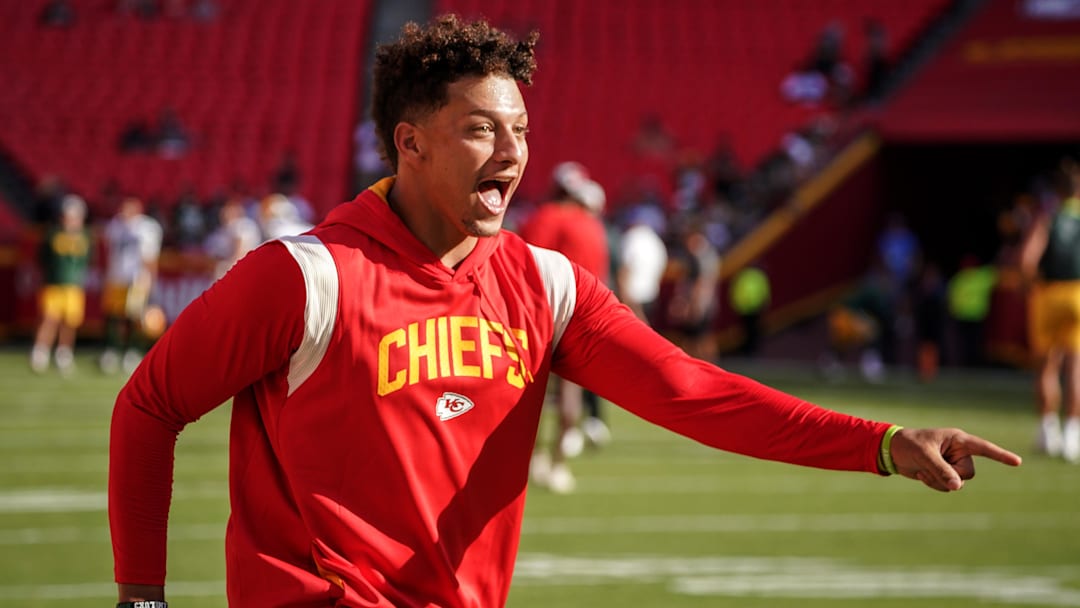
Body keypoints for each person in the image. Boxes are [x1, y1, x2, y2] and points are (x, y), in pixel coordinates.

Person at [109, 14, 1022, 607]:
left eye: (521, 130)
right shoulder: (306, 277)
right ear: (410, 143)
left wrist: (882, 443)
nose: (513, 151)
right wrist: (142, 600)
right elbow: (148, 406)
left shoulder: (544, 286)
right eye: (481, 128)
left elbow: (691, 392)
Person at [518, 162, 611, 493]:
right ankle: (558, 463)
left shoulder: (543, 217)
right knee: (570, 394)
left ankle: (533, 459)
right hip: (580, 318)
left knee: (532, 396)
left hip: (541, 315)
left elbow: (525, 265)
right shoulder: (591, 225)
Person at [1020, 160, 1080, 463]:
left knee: (1047, 366)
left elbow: (1027, 259)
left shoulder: (1048, 218)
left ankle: (1048, 430)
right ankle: (1072, 434)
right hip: (1078, 293)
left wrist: (1032, 285)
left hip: (1049, 293)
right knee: (1075, 366)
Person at [100, 196, 163, 374]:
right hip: (116, 277)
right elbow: (108, 253)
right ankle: (112, 350)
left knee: (135, 317)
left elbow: (150, 258)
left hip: (137, 278)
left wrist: (151, 279)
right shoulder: (115, 225)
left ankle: (133, 351)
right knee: (113, 315)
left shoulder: (147, 228)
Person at [30, 194, 92, 375]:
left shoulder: (85, 236)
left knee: (70, 322)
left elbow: (88, 261)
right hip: (54, 283)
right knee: (49, 318)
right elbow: (42, 259)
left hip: (74, 285)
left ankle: (63, 354)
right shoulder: (53, 234)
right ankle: (40, 352)